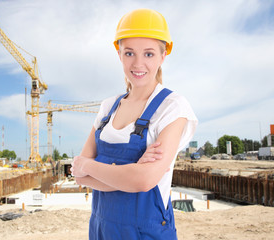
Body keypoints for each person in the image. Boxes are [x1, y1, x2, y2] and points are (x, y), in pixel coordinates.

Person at [71, 8, 198, 239]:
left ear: (163, 56)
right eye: (129, 53)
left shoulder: (172, 108)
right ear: (119, 54)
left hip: (145, 233)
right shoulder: (107, 107)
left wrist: (89, 166)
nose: (138, 63)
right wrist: (131, 171)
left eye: (148, 54)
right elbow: (79, 178)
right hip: (101, 230)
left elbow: (143, 180)